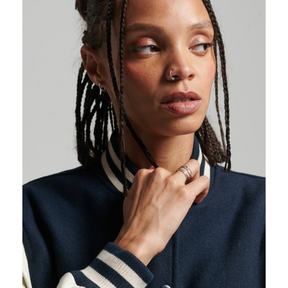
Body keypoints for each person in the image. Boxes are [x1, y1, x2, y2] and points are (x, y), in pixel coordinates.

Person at [23, 0, 265, 287]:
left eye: (200, 45)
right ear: (95, 66)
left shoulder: (269, 211)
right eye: (149, 47)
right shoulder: (27, 217)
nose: (183, 69)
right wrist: (133, 248)